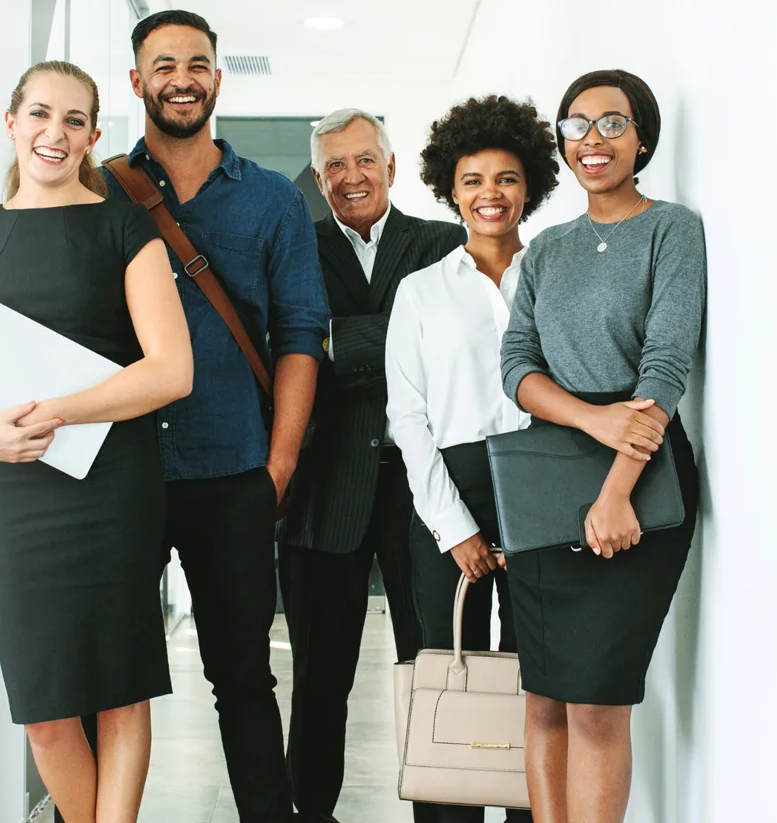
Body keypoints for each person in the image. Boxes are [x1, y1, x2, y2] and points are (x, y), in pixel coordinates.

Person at [0, 60, 194, 823]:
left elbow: (171, 370)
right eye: (41, 115)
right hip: (14, 496)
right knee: (45, 712)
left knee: (119, 689)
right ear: (12, 121)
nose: (56, 133)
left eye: (75, 120)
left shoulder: (123, 225)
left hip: (111, 486)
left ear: (91, 136)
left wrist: (61, 410)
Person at [102, 10, 329, 823]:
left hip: (233, 467)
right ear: (138, 82)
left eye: (197, 63)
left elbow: (301, 335)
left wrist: (279, 464)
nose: (182, 78)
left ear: (217, 78)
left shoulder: (270, 201)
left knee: (243, 678)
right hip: (118, 470)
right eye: (163, 65)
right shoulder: (100, 191)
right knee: (107, 679)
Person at [498, 69, 704, 823]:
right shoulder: (547, 249)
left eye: (613, 124)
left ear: (642, 138)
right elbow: (516, 364)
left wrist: (617, 488)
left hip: (641, 475)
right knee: (544, 698)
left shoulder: (671, 229)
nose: (594, 140)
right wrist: (590, 421)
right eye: (578, 125)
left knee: (595, 704)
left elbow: (666, 365)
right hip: (549, 475)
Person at [280, 108, 462, 822]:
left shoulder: (446, 243)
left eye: (363, 160)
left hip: (429, 491)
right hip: (324, 489)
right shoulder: (297, 247)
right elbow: (283, 346)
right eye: (334, 167)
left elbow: (453, 349)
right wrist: (399, 339)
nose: (350, 177)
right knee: (319, 683)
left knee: (436, 672)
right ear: (319, 179)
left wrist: (335, 344)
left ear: (390, 165)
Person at [386, 95, 561, 823]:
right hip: (449, 486)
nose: (491, 193)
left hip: (545, 486)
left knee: (540, 671)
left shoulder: (559, 277)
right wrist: (452, 526)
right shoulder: (422, 291)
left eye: (508, 178)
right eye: (473, 179)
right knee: (447, 662)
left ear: (531, 188)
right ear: (449, 189)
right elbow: (408, 417)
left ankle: (529, 809)